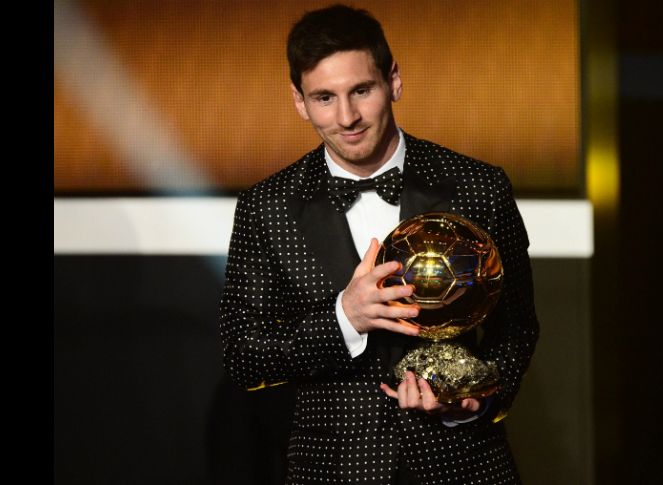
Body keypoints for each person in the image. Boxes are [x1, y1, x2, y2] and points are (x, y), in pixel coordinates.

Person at [218, 4, 539, 484]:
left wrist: (476, 398)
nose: (347, 117)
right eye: (324, 98)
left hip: (463, 464)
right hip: (332, 470)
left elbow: (517, 328)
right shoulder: (267, 207)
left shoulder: (478, 187)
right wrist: (344, 318)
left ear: (394, 81)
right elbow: (243, 353)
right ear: (299, 101)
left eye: (361, 90)